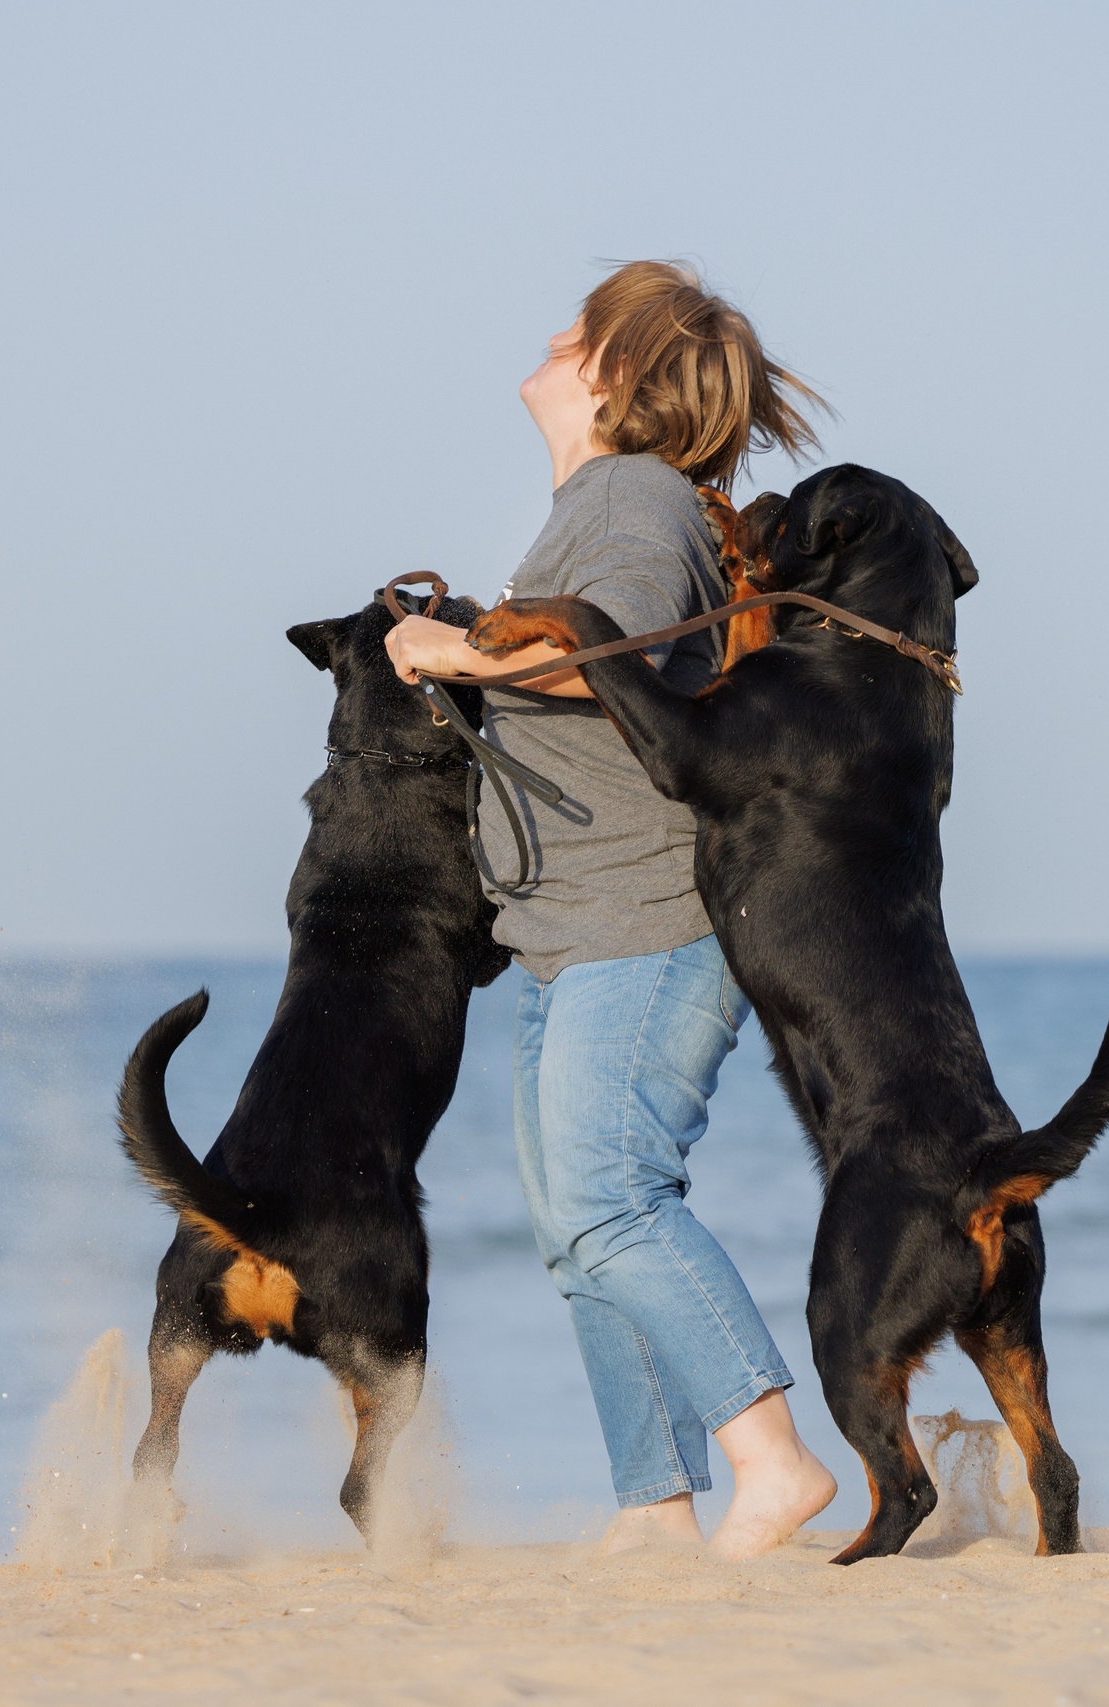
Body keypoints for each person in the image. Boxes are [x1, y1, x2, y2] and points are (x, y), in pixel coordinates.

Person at [384, 261, 839, 1557]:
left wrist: (458, 652)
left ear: (617, 376)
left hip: (648, 924)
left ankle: (774, 1459)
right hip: (572, 932)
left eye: (576, 330)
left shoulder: (633, 499)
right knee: (581, 1232)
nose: (547, 337)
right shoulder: (600, 502)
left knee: (609, 1200)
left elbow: (619, 650)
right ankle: (653, 1505)